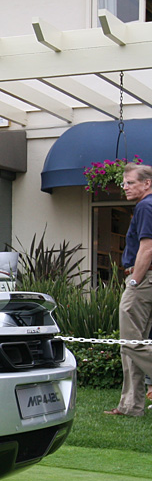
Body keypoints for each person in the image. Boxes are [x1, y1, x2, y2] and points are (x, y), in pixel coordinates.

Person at [105, 163, 152, 417]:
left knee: (131, 342)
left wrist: (135, 280)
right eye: (124, 183)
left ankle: (130, 405)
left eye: (130, 182)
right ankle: (131, 406)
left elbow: (147, 247)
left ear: (147, 183)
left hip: (143, 280)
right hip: (147, 280)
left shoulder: (146, 206)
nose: (125, 187)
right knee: (133, 343)